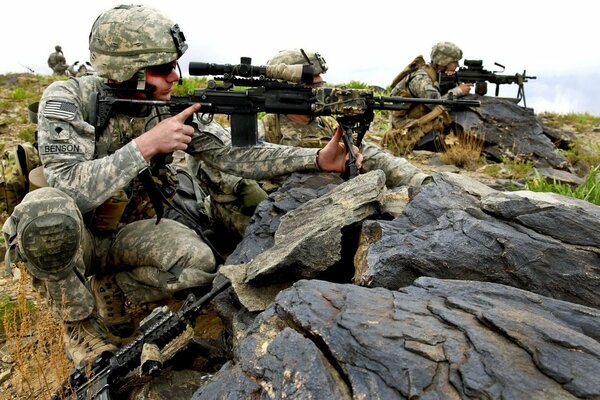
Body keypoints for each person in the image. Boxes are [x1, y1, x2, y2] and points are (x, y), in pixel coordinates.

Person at [2, 4, 361, 368]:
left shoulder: (167, 106)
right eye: (163, 68)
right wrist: (145, 146)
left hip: (127, 234)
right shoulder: (68, 99)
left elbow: (234, 154)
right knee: (45, 212)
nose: (175, 76)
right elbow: (68, 185)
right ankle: (80, 327)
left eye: (175, 65)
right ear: (127, 69)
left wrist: (317, 159)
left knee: (198, 265)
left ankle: (112, 285)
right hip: (76, 237)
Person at [259, 49, 432, 189]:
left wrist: (420, 180)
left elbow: (373, 156)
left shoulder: (329, 124)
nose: (322, 90)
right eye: (313, 84)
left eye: (321, 84)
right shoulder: (266, 128)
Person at [384, 41, 473, 154]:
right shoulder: (421, 79)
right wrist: (458, 90)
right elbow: (437, 103)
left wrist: (452, 82)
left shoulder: (433, 74)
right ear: (444, 61)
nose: (458, 65)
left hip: (412, 120)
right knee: (443, 121)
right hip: (405, 127)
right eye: (454, 62)